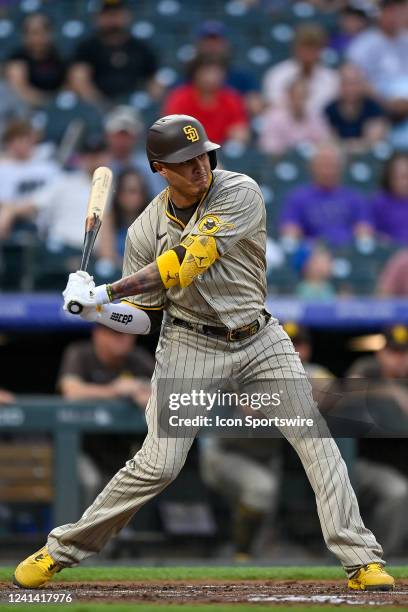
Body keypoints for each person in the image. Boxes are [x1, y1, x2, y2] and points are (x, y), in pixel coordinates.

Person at [14, 114, 394, 591]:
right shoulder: (142, 231)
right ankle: (59, 551)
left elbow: (186, 264)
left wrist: (105, 291)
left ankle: (361, 560)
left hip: (259, 338)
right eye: (184, 161)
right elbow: (143, 318)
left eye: (202, 155)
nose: (199, 166)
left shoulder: (239, 191)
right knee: (159, 464)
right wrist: (94, 313)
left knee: (317, 443)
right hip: (189, 342)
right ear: (158, 167)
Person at [59, 324, 154, 484]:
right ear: (98, 334)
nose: (122, 338)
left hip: (124, 449)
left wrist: (147, 393)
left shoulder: (137, 358)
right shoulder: (80, 353)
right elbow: (71, 392)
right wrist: (114, 390)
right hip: (83, 448)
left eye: (127, 333)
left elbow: (168, 390)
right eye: (115, 333)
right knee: (90, 482)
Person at [347, 325, 408, 554]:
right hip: (363, 463)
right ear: (381, 353)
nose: (400, 360)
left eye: (404, 353)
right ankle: (380, 555)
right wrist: (390, 390)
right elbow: (350, 389)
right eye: (394, 352)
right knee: (397, 490)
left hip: (399, 462)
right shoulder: (368, 369)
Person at [0, 136, 109, 250]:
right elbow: (32, 205)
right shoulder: (65, 181)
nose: (94, 159)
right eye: (89, 155)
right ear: (81, 158)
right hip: (62, 248)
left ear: (107, 156)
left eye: (99, 154)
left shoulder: (116, 185)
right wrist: (8, 211)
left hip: (93, 255)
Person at [279, 143, 373, 247]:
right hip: (312, 253)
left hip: (347, 250)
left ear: (341, 168)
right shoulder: (298, 197)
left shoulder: (354, 198)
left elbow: (364, 227)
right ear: (312, 167)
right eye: (323, 165)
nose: (327, 170)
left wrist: (362, 238)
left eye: (332, 165)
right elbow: (290, 228)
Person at [68, 0, 158, 105]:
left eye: (116, 14)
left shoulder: (141, 47)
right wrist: (102, 106)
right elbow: (80, 81)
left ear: (127, 16)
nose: (111, 21)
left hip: (134, 107)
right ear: (96, 18)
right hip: (99, 106)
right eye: (106, 15)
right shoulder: (87, 47)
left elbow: (154, 83)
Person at [347, 0, 408, 147]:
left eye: (396, 12)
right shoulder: (363, 44)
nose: (393, 17)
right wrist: (385, 101)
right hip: (377, 106)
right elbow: (355, 78)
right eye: (388, 12)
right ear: (379, 14)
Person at [163, 56, 249, 144]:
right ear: (195, 74)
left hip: (221, 151)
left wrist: (238, 135)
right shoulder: (180, 97)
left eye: (217, 73)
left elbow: (241, 130)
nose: (212, 77)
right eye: (207, 72)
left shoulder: (231, 98)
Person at [0, 119, 60, 239]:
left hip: (44, 219)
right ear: (9, 142)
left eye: (27, 139)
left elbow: (55, 197)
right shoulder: (3, 168)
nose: (23, 144)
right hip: (13, 222)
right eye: (18, 139)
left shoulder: (49, 168)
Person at [262, 23, 339, 115]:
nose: (309, 53)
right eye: (305, 47)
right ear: (295, 47)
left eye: (314, 48)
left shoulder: (332, 78)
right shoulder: (278, 74)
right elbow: (273, 108)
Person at [193, 20, 263, 116]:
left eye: (217, 42)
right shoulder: (188, 76)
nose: (212, 47)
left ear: (226, 44)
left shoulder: (242, 76)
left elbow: (256, 106)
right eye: (207, 42)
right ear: (199, 45)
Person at [5, 13, 67, 108]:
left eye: (44, 31)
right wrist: (49, 103)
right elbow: (19, 90)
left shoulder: (60, 56)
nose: (40, 37)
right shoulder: (17, 59)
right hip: (27, 108)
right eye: (34, 33)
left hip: (59, 107)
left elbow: (68, 87)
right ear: (25, 36)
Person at [258, 76, 330, 156]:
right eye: (296, 96)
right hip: (282, 160)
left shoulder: (315, 116)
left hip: (310, 161)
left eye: (303, 96)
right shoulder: (275, 117)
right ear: (289, 95)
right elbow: (269, 147)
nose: (300, 100)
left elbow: (324, 142)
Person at [105, 105, 165, 198]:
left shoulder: (149, 166)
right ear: (108, 136)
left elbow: (160, 199)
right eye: (117, 135)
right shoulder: (99, 164)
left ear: (136, 137)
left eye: (127, 135)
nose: (121, 140)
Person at [324, 63, 388, 151]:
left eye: (354, 83)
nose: (350, 88)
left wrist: (348, 145)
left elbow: (374, 139)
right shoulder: (329, 109)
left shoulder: (373, 107)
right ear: (339, 85)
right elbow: (329, 140)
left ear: (362, 84)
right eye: (346, 83)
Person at [98, 168, 150, 268]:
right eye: (131, 191)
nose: (138, 196)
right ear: (118, 195)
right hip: (116, 275)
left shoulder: (153, 219)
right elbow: (106, 255)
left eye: (139, 190)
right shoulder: (108, 218)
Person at [371, 153, 408, 245]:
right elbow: (370, 231)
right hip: (390, 252)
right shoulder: (379, 202)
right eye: (399, 177)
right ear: (389, 177)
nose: (404, 182)